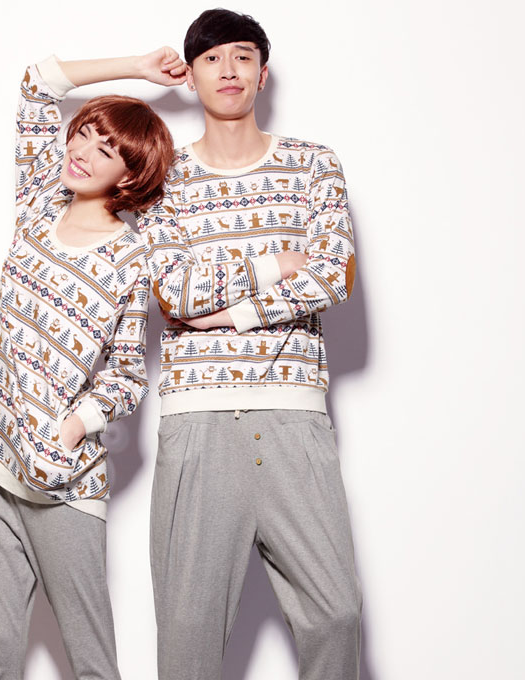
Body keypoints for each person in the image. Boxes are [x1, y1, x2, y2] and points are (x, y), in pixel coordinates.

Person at [137, 9, 362, 680]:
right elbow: (174, 293)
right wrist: (276, 264)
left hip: (295, 415)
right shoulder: (164, 177)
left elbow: (336, 274)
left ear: (263, 75)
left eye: (242, 56)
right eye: (211, 58)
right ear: (191, 76)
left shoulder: (313, 164)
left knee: (336, 616)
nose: (228, 69)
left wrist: (233, 314)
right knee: (188, 632)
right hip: (198, 418)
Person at [0, 48, 182, 679]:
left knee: (91, 663)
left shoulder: (132, 257)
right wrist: (138, 67)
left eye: (104, 150)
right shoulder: (39, 202)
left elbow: (127, 375)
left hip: (63, 478)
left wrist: (75, 427)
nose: (81, 151)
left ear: (130, 175)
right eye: (82, 133)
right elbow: (37, 82)